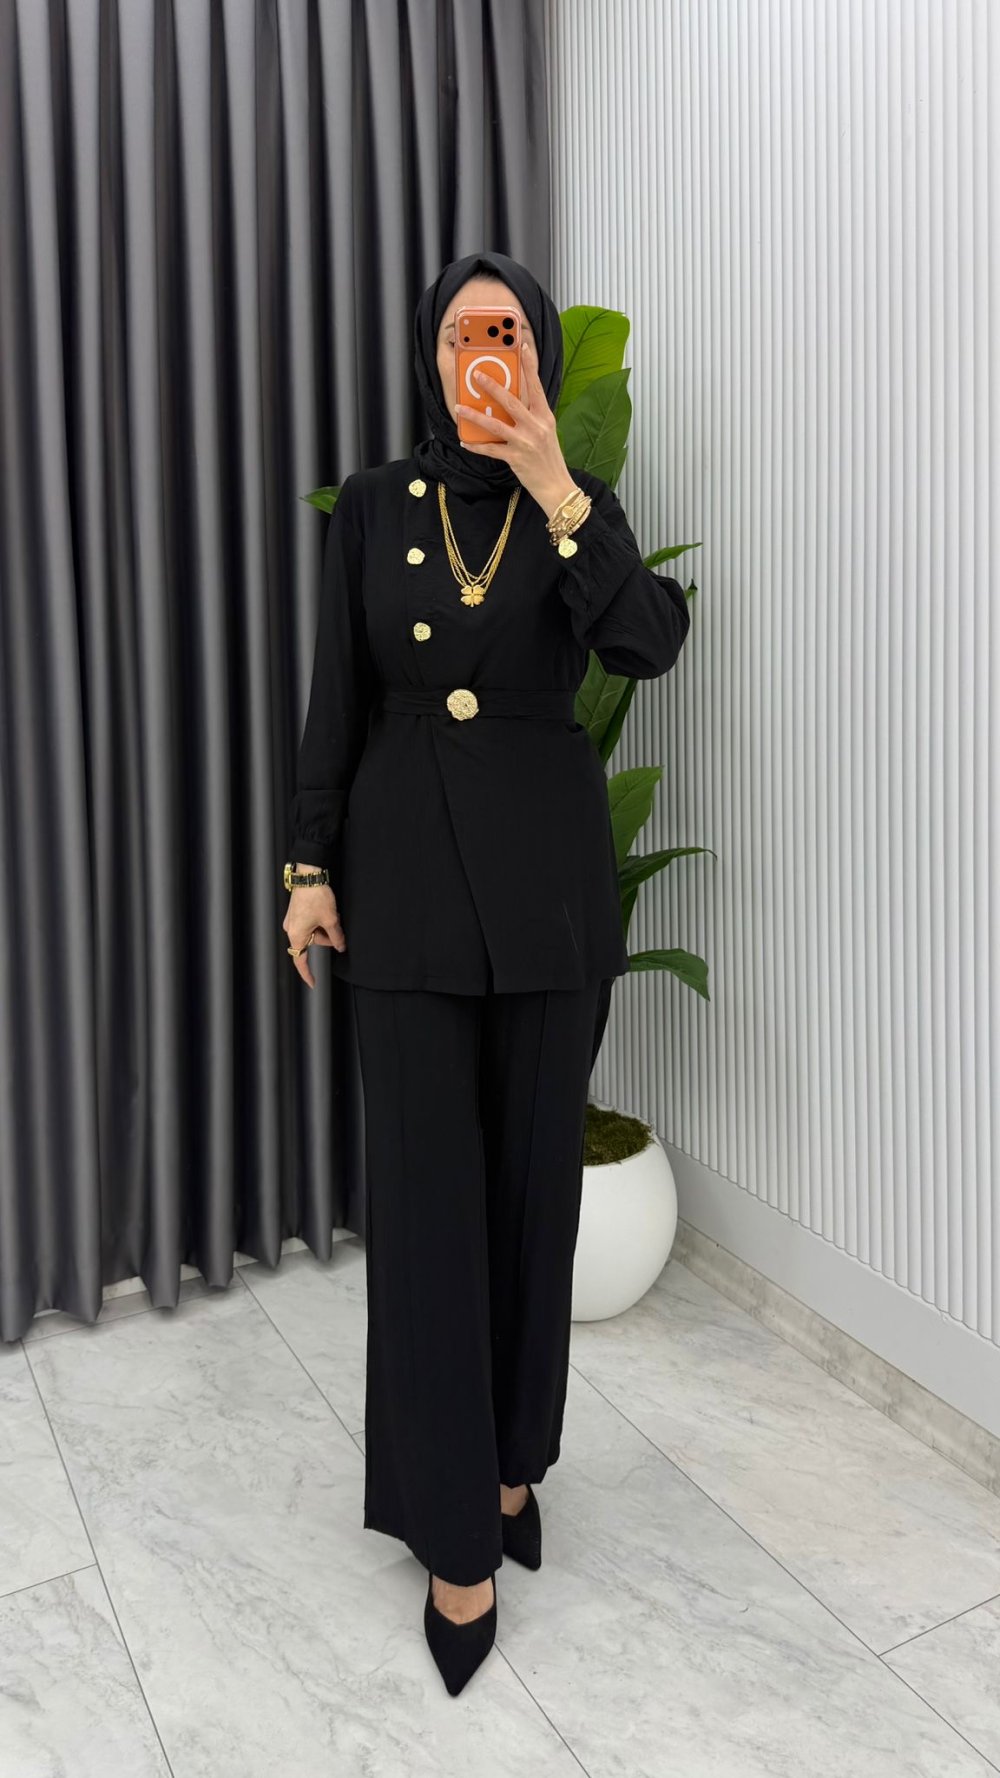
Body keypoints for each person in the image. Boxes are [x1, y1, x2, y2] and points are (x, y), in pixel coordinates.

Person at [282, 250, 690, 1695]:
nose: (485, 346)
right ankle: (456, 1534)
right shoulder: (375, 505)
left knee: (530, 1201)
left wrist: (557, 484)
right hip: (400, 889)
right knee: (427, 1215)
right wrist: (308, 865)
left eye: (507, 326)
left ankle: (515, 1466)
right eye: (463, 329)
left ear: (538, 354)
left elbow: (648, 643)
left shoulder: (575, 501)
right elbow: (337, 691)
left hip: (546, 899)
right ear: (431, 352)